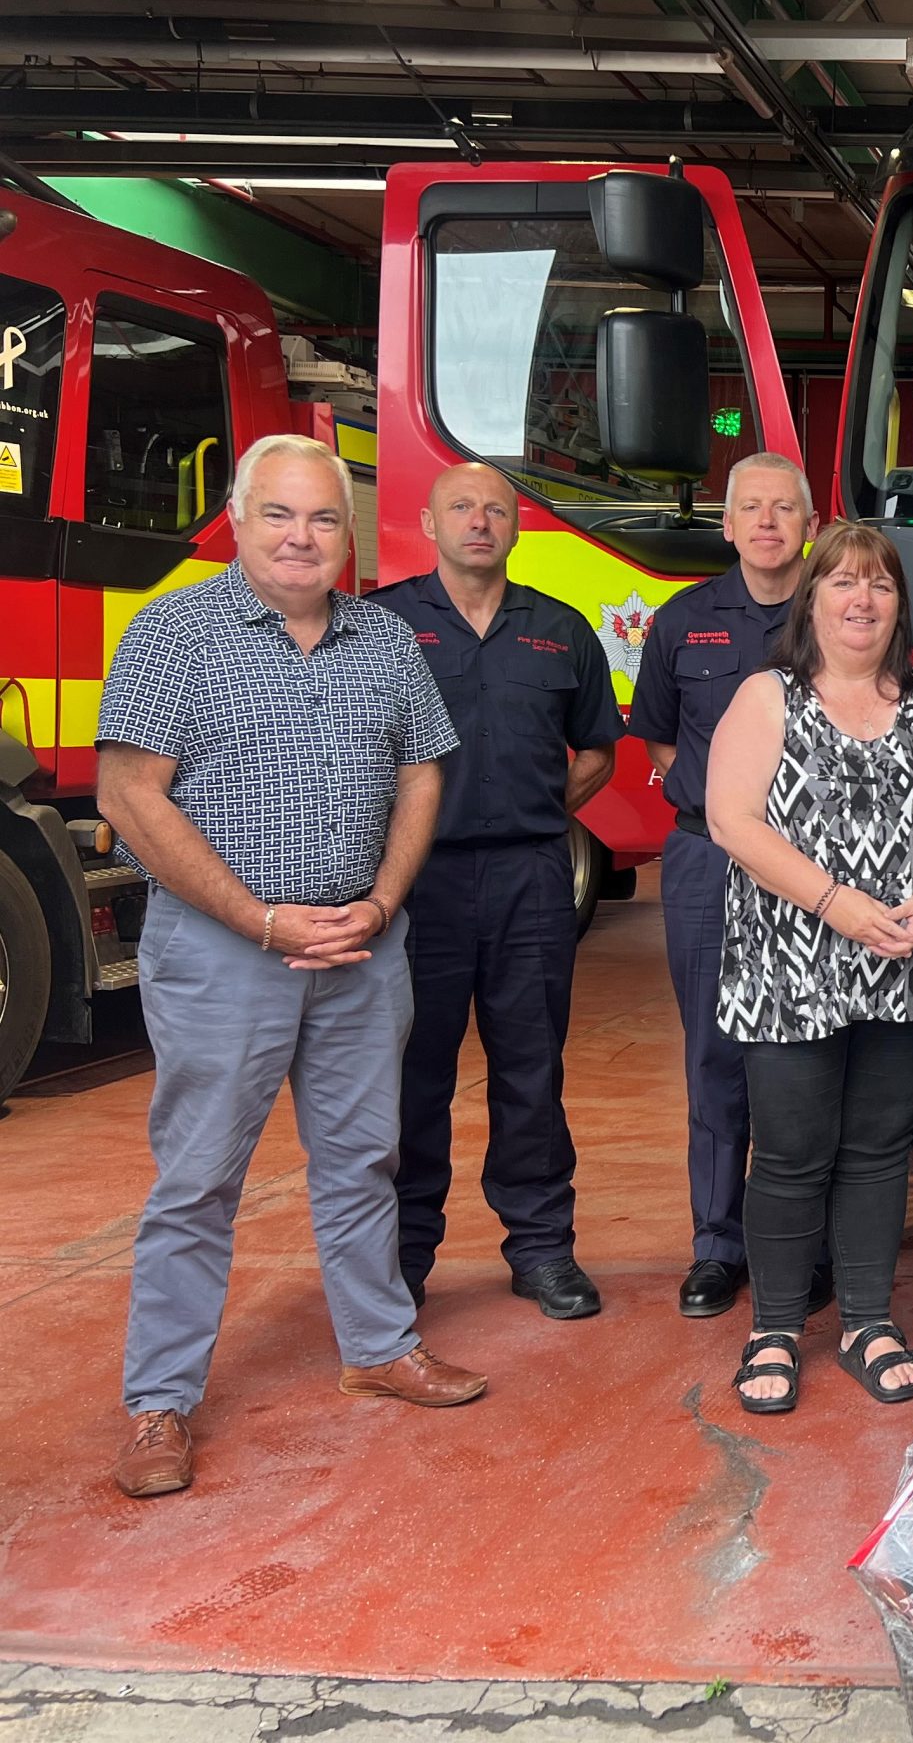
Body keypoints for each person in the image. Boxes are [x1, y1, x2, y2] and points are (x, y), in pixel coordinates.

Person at [97, 435, 484, 1500]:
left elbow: (419, 776)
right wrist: (258, 918)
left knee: (363, 1160)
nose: (302, 537)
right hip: (224, 952)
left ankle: (377, 1348)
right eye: (280, 515)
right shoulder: (173, 632)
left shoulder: (386, 640)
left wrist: (385, 900)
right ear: (237, 518)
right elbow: (131, 796)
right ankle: (158, 1406)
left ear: (347, 536)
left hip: (363, 948)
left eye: (322, 519)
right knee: (199, 1180)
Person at [705, 523, 913, 1414]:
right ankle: (776, 1330)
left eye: (878, 585)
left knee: (878, 1151)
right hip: (793, 962)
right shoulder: (767, 696)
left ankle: (869, 1320)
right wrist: (837, 904)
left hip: (904, 957)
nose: (861, 600)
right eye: (842, 584)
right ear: (813, 598)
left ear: (898, 604)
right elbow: (732, 821)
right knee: (790, 1154)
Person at [371, 463, 625, 1319]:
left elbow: (597, 748)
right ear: (427, 522)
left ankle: (543, 1250)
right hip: (419, 884)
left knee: (530, 1071)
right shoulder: (382, 626)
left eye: (495, 510)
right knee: (416, 1074)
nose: (478, 522)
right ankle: (404, 1258)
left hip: (531, 880)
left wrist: (539, 808)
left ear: (516, 528)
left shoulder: (559, 631)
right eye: (460, 508)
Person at [628, 454, 813, 1319]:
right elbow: (662, 741)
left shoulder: (839, 613)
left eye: (785, 507)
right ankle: (717, 1246)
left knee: (806, 1058)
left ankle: (799, 1243)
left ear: (809, 523)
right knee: (714, 1054)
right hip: (709, 861)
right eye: (752, 508)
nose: (768, 522)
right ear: (729, 526)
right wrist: (726, 811)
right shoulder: (684, 620)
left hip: (819, 869)